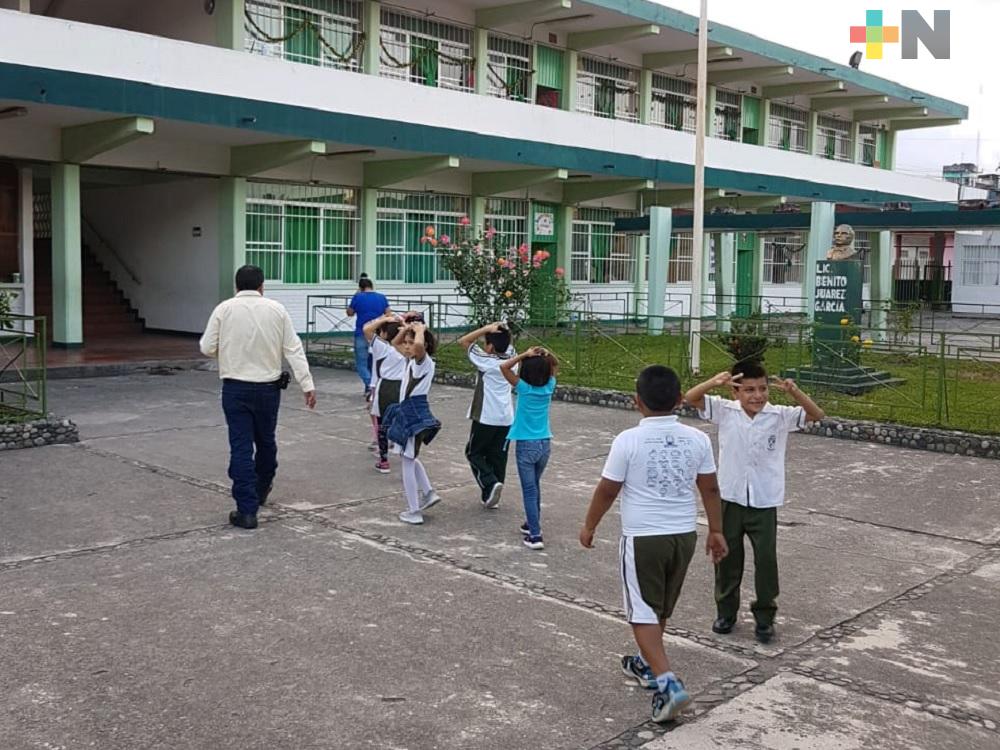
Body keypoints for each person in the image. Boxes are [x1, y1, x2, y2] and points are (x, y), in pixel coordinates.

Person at [579, 365, 727, 724]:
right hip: (684, 535)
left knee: (641, 611)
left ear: (637, 401)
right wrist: (716, 530)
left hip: (643, 537)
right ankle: (646, 663)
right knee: (659, 605)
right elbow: (710, 487)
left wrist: (589, 525)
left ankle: (668, 683)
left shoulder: (628, 440)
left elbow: (608, 489)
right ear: (679, 399)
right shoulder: (698, 439)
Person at [684, 361, 825, 644]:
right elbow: (690, 398)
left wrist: (794, 392)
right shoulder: (725, 411)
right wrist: (713, 382)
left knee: (766, 560)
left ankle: (764, 617)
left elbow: (816, 414)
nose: (757, 396)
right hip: (730, 499)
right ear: (735, 392)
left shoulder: (779, 416)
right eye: (749, 390)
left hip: (764, 500)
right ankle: (726, 612)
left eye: (762, 389)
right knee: (727, 560)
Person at [199, 265, 317, 530]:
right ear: (262, 286)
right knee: (266, 441)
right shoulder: (277, 310)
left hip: (235, 388)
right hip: (268, 389)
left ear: (236, 285)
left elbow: (206, 347)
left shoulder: (224, 309)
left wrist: (227, 352)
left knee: (241, 446)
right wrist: (307, 384)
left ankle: (247, 510)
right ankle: (262, 487)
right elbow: (294, 349)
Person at [380, 319, 442, 525]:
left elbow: (418, 346)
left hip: (414, 413)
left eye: (411, 342)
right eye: (406, 342)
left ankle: (414, 510)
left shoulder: (423, 362)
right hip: (408, 412)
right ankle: (428, 492)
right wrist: (407, 329)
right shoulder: (411, 361)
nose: (406, 346)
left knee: (407, 462)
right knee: (409, 456)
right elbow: (394, 343)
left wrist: (420, 330)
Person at [500, 346, 558, 550]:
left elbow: (504, 367)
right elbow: (555, 364)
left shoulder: (523, 388)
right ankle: (531, 523)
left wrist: (524, 354)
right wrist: (546, 352)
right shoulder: (549, 386)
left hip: (526, 444)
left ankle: (535, 534)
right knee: (535, 485)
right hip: (545, 444)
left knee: (529, 490)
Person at [458, 321, 516, 509]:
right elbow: (507, 342)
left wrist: (486, 329)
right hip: (506, 417)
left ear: (490, 347)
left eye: (485, 343)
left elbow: (463, 341)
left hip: (486, 416)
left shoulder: (486, 361)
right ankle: (491, 495)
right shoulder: (512, 358)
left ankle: (490, 484)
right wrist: (503, 330)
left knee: (473, 452)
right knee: (498, 455)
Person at [363, 312, 406, 474]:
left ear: (385, 334)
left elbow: (366, 330)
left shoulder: (382, 347)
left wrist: (385, 319)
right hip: (402, 386)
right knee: (401, 421)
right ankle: (405, 456)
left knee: (382, 424)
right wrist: (403, 324)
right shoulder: (406, 348)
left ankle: (384, 460)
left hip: (386, 386)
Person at [346, 274, 390, 397]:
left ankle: (370, 386)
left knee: (361, 363)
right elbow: (388, 314)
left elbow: (349, 313)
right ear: (372, 286)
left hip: (361, 333)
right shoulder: (381, 297)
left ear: (360, 288)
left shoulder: (358, 297)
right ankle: (371, 387)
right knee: (373, 362)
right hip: (378, 335)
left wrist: (356, 296)